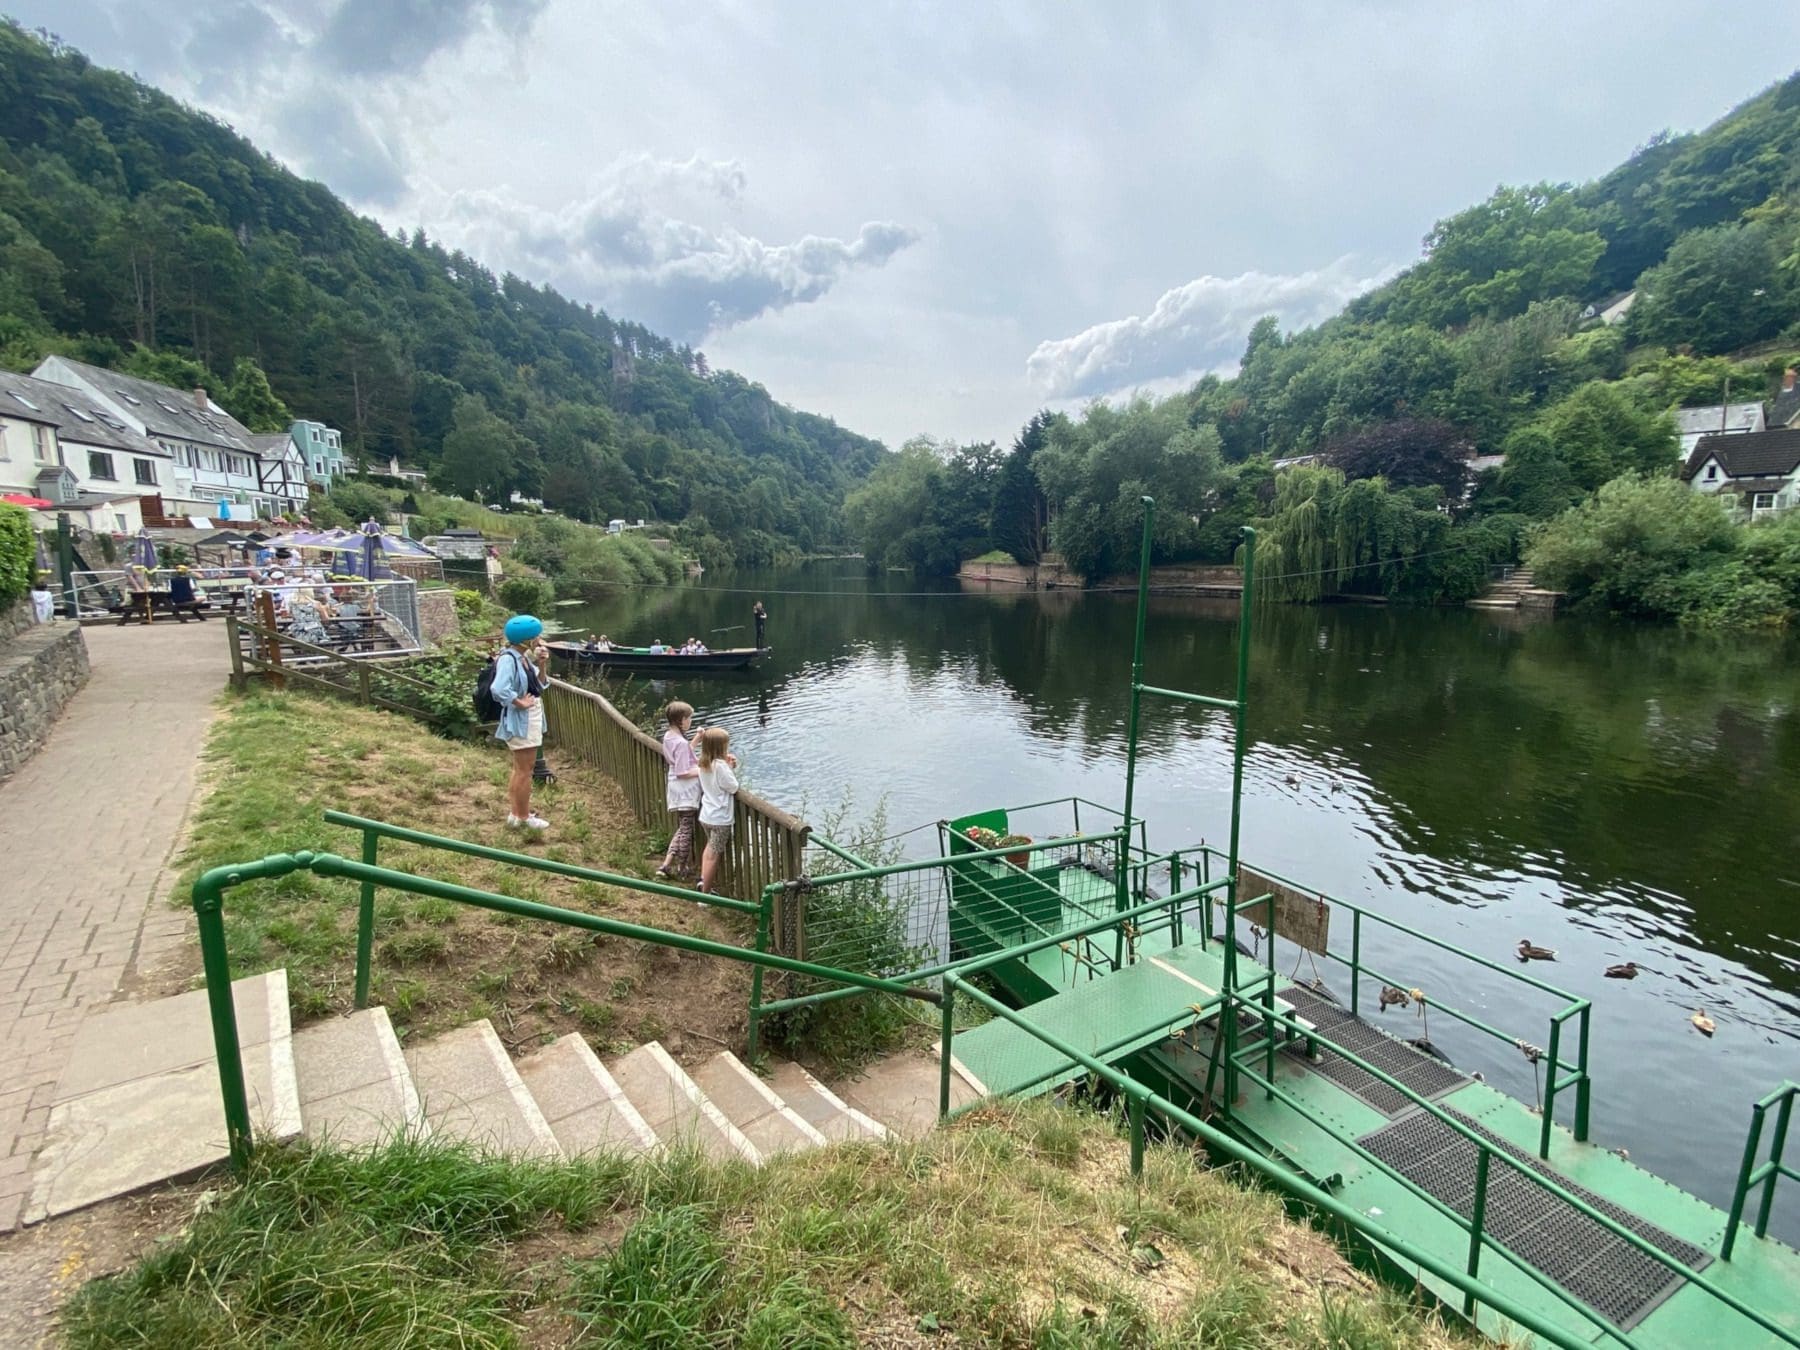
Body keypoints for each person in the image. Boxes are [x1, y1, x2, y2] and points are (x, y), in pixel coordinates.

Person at [493, 614, 551, 830]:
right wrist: (519, 702)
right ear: (525, 639)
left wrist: (542, 665)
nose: (539, 639)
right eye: (536, 636)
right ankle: (524, 818)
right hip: (522, 721)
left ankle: (516, 814)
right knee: (525, 770)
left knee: (520, 769)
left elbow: (539, 685)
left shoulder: (523, 658)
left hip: (528, 719)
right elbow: (498, 689)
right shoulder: (509, 659)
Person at [655, 700, 702, 878]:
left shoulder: (669, 736)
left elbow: (681, 757)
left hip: (674, 786)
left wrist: (696, 740)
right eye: (689, 718)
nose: (690, 721)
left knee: (682, 827)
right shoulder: (680, 743)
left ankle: (666, 864)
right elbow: (683, 771)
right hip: (685, 790)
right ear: (681, 720)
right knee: (686, 830)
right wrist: (703, 770)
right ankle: (682, 867)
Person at [695, 726, 739, 894]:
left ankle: (703, 881)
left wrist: (727, 767)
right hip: (720, 819)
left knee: (708, 851)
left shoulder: (703, 764)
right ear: (722, 747)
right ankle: (705, 894)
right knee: (714, 856)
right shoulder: (720, 766)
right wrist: (730, 768)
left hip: (706, 815)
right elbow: (733, 787)